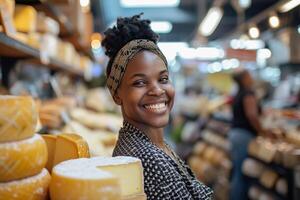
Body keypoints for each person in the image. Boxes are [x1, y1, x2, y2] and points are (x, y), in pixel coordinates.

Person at [101, 14, 213, 199]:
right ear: (117, 94)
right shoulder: (149, 159)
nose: (157, 90)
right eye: (139, 82)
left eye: (163, 79)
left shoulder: (148, 145)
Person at [229, 69, 271, 200]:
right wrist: (262, 132)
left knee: (238, 170)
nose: (252, 77)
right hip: (244, 136)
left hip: (236, 134)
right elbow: (252, 115)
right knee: (243, 173)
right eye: (249, 74)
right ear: (245, 78)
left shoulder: (238, 93)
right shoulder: (248, 93)